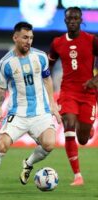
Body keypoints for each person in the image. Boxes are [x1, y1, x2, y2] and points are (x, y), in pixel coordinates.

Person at [0, 22, 61, 192]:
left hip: (41, 112)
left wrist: (52, 104)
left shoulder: (41, 57)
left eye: (31, 38)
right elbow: (1, 88)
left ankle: (28, 163)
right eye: (25, 37)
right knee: (2, 145)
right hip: (18, 113)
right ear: (15, 38)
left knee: (49, 144)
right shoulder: (6, 63)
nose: (28, 41)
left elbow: (47, 79)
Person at [48, 7, 98, 186]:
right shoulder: (57, 43)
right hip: (68, 92)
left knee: (83, 139)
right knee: (68, 124)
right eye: (69, 18)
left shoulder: (92, 40)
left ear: (81, 19)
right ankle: (77, 175)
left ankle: (87, 129)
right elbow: (49, 66)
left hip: (88, 93)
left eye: (76, 18)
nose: (72, 21)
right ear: (65, 20)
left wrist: (95, 79)